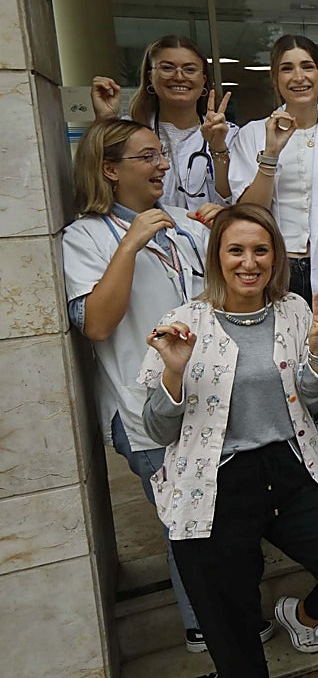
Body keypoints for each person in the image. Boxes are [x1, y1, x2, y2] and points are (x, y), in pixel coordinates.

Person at [138, 204, 318, 678]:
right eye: (236, 250)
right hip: (213, 481)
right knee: (233, 637)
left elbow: (309, 403)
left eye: (261, 250)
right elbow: (156, 430)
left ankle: (300, 615)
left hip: (288, 469)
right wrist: (174, 372)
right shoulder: (184, 320)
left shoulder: (294, 311)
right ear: (217, 257)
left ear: (276, 257)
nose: (249, 262)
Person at [63, 118, 218, 653]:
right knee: (185, 516)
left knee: (210, 511)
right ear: (110, 169)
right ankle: (203, 625)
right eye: (147, 156)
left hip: (205, 399)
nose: (163, 165)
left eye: (161, 154)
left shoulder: (181, 221)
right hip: (140, 409)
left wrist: (221, 226)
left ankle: (218, 613)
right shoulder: (84, 237)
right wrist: (128, 246)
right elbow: (98, 324)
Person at [228, 34, 318, 508]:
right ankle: (295, 507)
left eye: (306, 66)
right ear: (275, 79)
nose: (299, 76)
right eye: (287, 68)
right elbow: (246, 214)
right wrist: (270, 154)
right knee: (284, 395)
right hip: (275, 281)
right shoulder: (250, 135)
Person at [90, 34, 238, 211]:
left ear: (203, 80)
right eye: (167, 68)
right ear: (150, 76)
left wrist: (218, 148)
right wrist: (105, 120)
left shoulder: (229, 133)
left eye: (190, 69)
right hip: (142, 234)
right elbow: (95, 182)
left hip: (210, 234)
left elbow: (234, 199)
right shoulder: (130, 130)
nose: (179, 76)